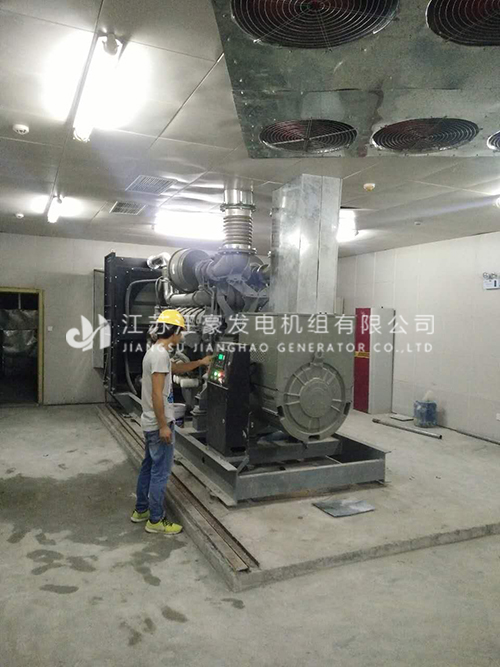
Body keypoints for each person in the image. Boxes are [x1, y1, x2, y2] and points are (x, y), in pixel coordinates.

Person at [130, 309, 212, 535]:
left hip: (150, 422)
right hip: (158, 424)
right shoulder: (159, 355)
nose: (182, 336)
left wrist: (200, 362)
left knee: (148, 467)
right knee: (160, 473)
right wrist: (164, 425)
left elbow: (175, 368)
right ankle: (156, 520)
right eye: (181, 331)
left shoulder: (157, 352)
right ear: (174, 330)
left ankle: (141, 510)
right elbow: (157, 394)